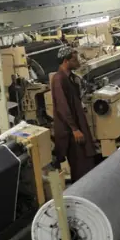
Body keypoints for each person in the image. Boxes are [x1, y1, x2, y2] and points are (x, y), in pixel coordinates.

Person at [51, 46, 96, 182]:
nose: (78, 62)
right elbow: (62, 106)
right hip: (71, 133)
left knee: (86, 162)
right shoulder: (59, 79)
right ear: (66, 61)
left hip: (77, 126)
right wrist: (74, 129)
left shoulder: (70, 78)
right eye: (75, 60)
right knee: (80, 165)